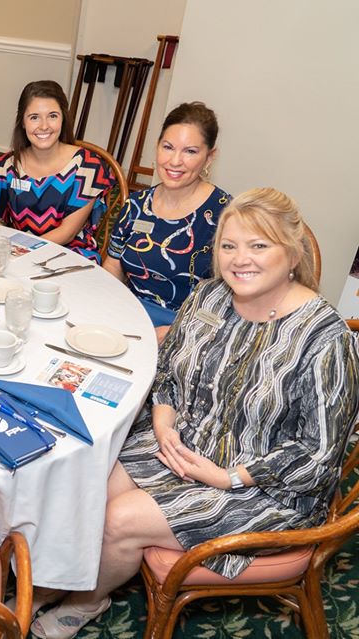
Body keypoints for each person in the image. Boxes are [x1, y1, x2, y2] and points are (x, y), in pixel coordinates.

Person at [30, 188, 359, 639]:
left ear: (292, 251)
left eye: (258, 245)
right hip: (186, 441)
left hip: (264, 489)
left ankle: (87, 600)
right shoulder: (209, 297)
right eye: (229, 245)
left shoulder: (325, 338)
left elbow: (317, 457)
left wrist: (231, 477)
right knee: (86, 487)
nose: (239, 259)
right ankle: (52, 585)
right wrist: (163, 416)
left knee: (117, 520)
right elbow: (167, 369)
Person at [103, 102, 231, 340]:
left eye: (190, 151)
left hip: (187, 331)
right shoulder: (136, 204)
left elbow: (232, 300)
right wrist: (110, 310)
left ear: (210, 157)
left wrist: (177, 333)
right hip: (128, 318)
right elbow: (113, 265)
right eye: (168, 147)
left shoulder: (226, 217)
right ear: (157, 146)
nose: (174, 161)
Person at [0, 80, 115, 261]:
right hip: (16, 251)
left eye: (52, 116)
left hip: (71, 256)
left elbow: (67, 233)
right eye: (34, 117)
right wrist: (8, 245)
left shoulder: (88, 167)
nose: (44, 126)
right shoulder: (5, 166)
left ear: (63, 118)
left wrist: (22, 251)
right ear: (22, 122)